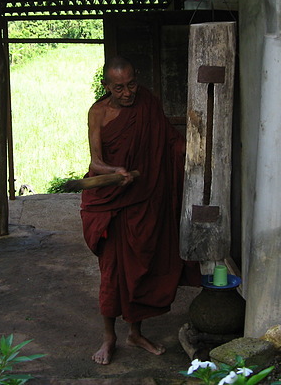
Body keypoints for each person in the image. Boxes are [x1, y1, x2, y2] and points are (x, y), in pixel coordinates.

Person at [80, 55, 200, 365]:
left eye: (131, 84)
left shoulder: (148, 103)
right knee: (112, 273)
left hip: (145, 201)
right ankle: (109, 338)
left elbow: (168, 141)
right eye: (119, 88)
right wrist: (116, 170)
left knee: (140, 270)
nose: (127, 93)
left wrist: (192, 146)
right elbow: (96, 162)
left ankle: (135, 332)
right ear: (107, 86)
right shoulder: (99, 113)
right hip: (111, 204)